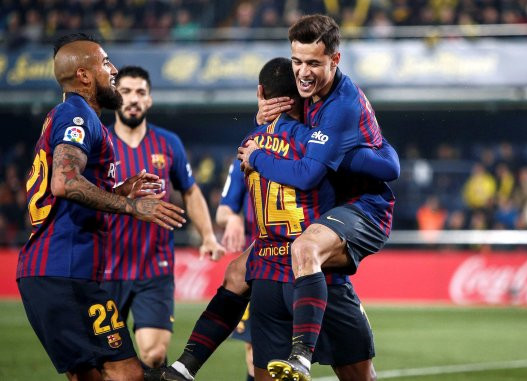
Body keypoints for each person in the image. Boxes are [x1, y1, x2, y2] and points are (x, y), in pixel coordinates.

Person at [146, 57, 398, 381]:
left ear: (261, 92)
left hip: (266, 274)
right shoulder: (315, 141)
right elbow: (385, 167)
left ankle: (185, 365)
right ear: (302, 96)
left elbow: (230, 200)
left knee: (237, 280)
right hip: (316, 283)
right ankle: (298, 356)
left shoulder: (247, 144)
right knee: (360, 375)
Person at [16, 33, 185, 381]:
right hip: (63, 271)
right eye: (106, 62)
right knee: (127, 374)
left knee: (99, 376)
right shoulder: (76, 116)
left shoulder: (72, 117)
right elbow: (65, 182)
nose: (115, 70)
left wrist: (121, 189)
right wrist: (129, 206)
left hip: (60, 273)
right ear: (84, 75)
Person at [246, 15, 395, 379]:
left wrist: (257, 156)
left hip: (364, 209)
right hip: (331, 211)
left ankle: (300, 354)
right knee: (242, 270)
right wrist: (269, 117)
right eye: (297, 61)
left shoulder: (341, 106)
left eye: (313, 63)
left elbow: (308, 174)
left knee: (304, 249)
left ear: (335, 60)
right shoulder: (307, 90)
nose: (303, 72)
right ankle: (186, 365)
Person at [101, 66, 225, 369]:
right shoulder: (99, 142)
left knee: (154, 355)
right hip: (104, 267)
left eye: (140, 92)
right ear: (116, 96)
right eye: (126, 91)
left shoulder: (168, 143)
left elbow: (191, 191)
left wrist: (207, 235)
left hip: (153, 267)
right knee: (104, 360)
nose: (133, 99)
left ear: (150, 100)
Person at [217, 159, 256, 381]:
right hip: (256, 270)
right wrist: (233, 218)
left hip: (300, 267)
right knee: (255, 353)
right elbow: (222, 211)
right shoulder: (243, 162)